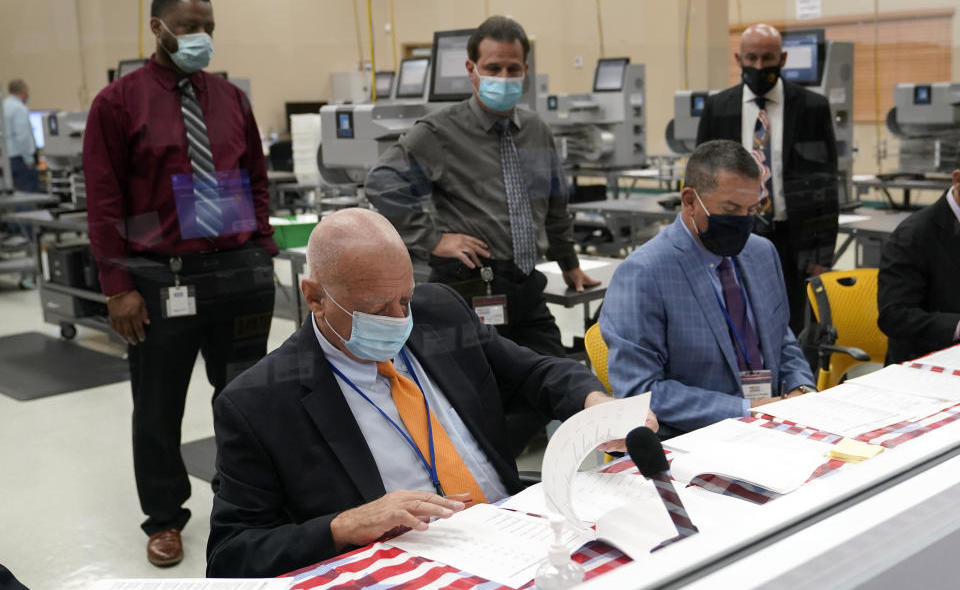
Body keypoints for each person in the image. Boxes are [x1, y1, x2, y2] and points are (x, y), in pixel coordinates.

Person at [205, 209, 653, 578]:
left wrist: (596, 403)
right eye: (378, 309)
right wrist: (342, 526)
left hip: (515, 541)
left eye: (404, 297)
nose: (400, 319)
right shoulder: (258, 403)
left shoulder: (437, 312)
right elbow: (231, 554)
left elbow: (533, 372)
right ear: (315, 297)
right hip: (411, 569)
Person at [82, 0, 277, 567]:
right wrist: (117, 287)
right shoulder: (118, 103)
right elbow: (104, 201)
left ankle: (244, 498)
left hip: (239, 272)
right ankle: (165, 517)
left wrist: (263, 250)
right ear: (157, 28)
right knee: (159, 405)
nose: (201, 39)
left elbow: (257, 178)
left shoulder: (230, 99)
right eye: (188, 28)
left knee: (245, 396)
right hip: (161, 278)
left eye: (208, 28)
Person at [366, 15, 598, 455]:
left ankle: (493, 471)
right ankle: (485, 481)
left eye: (513, 69)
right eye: (493, 68)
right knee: (479, 394)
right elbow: (382, 182)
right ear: (472, 69)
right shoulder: (440, 132)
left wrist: (570, 265)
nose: (504, 78)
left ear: (525, 71)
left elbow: (554, 204)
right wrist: (432, 238)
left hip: (526, 286)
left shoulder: (536, 131)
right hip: (471, 288)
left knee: (554, 381)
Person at [600, 140, 816, 439]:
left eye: (751, 209)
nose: (743, 221)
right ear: (689, 200)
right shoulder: (644, 273)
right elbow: (641, 391)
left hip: (771, 423)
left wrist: (800, 389)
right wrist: (747, 410)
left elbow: (782, 340)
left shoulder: (762, 253)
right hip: (692, 439)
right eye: (730, 209)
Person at [696, 23, 839, 335]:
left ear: (783, 59)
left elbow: (825, 185)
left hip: (793, 238)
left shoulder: (813, 108)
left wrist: (822, 255)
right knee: (733, 320)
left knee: (792, 325)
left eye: (767, 58)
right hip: (731, 233)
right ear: (739, 59)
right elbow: (700, 179)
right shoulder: (718, 108)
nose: (759, 66)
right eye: (751, 58)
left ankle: (794, 384)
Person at [878, 169, 960, 364]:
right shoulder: (913, 235)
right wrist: (956, 326)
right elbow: (894, 316)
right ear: (957, 180)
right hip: (924, 360)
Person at [2, 79, 39, 194]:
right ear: (24, 90)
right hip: (20, 160)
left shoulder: (3, 105)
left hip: (6, 159)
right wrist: (29, 159)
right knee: (28, 196)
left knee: (16, 196)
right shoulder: (19, 108)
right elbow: (22, 137)